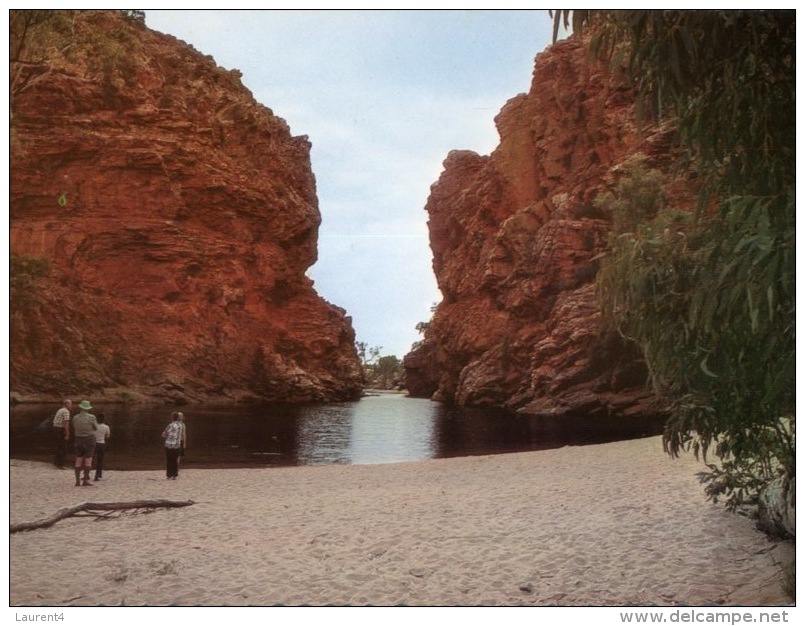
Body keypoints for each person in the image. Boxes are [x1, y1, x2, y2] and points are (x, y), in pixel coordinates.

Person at [72, 400, 98, 487]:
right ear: (88, 408)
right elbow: (95, 428)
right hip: (89, 439)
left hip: (78, 439)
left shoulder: (75, 417)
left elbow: (73, 426)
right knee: (88, 460)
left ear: (80, 407)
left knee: (78, 460)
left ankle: (77, 481)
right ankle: (85, 480)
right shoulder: (92, 417)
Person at [162, 412, 183, 479]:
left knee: (169, 460)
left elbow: (163, 434)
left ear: (172, 418)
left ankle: (169, 474)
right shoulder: (180, 425)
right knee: (175, 460)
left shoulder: (170, 425)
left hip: (169, 444)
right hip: (177, 444)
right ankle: (174, 474)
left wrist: (166, 435)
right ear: (178, 418)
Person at [52, 399, 72, 469]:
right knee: (64, 447)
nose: (71, 406)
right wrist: (67, 433)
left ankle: (56, 462)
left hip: (55, 428)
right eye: (70, 404)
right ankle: (60, 464)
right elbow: (66, 423)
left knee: (59, 446)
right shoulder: (66, 411)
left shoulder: (60, 410)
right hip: (60, 429)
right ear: (66, 404)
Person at [93, 413, 111, 481]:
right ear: (104, 419)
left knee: (90, 459)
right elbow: (107, 436)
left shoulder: (94, 426)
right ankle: (97, 475)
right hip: (101, 444)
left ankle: (87, 474)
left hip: (94, 443)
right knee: (100, 460)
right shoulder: (106, 427)